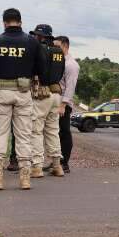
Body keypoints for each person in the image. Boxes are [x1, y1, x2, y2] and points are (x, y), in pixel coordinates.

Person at [0, 8, 45, 190]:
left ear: (4, 22)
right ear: (21, 22)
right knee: (24, 134)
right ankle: (25, 178)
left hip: (1, 91)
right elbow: (42, 69)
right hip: (24, 93)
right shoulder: (32, 43)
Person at [28, 24, 65, 178]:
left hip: (42, 93)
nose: (34, 37)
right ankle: (57, 165)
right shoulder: (59, 52)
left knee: (36, 131)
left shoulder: (38, 49)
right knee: (52, 130)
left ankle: (37, 166)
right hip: (56, 94)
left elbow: (33, 70)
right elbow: (61, 71)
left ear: (41, 37)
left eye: (36, 35)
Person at [54, 35, 79, 173]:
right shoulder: (59, 61)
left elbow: (70, 87)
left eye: (57, 46)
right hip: (55, 101)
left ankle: (65, 163)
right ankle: (56, 161)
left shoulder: (71, 65)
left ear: (65, 46)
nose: (55, 49)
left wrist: (63, 105)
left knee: (64, 132)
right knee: (54, 133)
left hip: (63, 104)